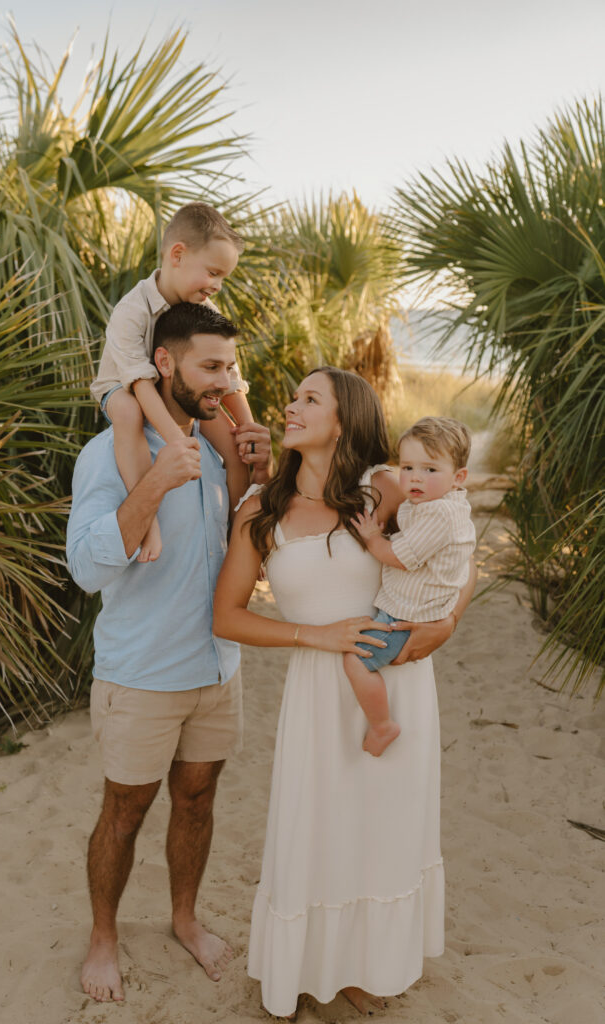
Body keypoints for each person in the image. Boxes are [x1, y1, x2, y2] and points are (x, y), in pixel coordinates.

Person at [213, 367, 476, 1018]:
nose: (291, 406)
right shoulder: (261, 510)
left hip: (398, 688)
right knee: (319, 831)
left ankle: (363, 965)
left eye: (309, 399)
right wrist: (314, 634)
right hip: (316, 693)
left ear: (345, 417)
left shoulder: (385, 490)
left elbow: (455, 558)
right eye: (293, 397)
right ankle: (304, 969)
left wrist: (446, 622)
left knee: (383, 832)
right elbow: (226, 617)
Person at [67, 302, 271, 1004]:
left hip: (216, 670)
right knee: (123, 812)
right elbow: (87, 569)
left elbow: (243, 552)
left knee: (197, 800)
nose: (223, 380)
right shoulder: (108, 454)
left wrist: (256, 475)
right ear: (163, 364)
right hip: (142, 675)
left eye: (229, 366)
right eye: (209, 366)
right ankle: (103, 936)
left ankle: (184, 918)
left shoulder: (216, 448)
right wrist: (155, 482)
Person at [90, 202, 254, 562]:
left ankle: (238, 538)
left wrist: (248, 427)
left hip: (178, 395)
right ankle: (149, 523)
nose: (217, 286)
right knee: (129, 414)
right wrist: (178, 441)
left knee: (231, 444)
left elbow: (229, 376)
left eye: (223, 277)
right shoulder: (130, 311)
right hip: (122, 387)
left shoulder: (205, 312)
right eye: (213, 273)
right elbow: (139, 383)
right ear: (177, 254)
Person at [344, 416, 477, 757]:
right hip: (413, 607)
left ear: (458, 477)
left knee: (355, 662)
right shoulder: (431, 504)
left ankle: (381, 724)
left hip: (407, 616)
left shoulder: (440, 514)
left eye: (430, 470)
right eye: (407, 467)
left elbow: (399, 557)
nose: (415, 477)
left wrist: (374, 538)